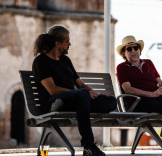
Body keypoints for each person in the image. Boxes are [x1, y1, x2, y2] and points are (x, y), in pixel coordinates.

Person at [32, 24, 117, 156]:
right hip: (54, 101)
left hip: (75, 101)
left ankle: (81, 105)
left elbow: (80, 84)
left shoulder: (65, 60)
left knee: (111, 101)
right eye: (67, 41)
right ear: (57, 43)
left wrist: (94, 93)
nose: (69, 44)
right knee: (82, 94)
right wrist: (80, 93)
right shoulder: (41, 61)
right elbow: (52, 90)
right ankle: (88, 145)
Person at [116, 35, 162, 156]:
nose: (133, 51)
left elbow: (158, 81)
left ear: (139, 50)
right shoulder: (121, 68)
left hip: (155, 98)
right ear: (124, 53)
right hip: (138, 103)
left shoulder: (148, 63)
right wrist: (152, 94)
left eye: (135, 47)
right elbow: (128, 89)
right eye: (129, 49)